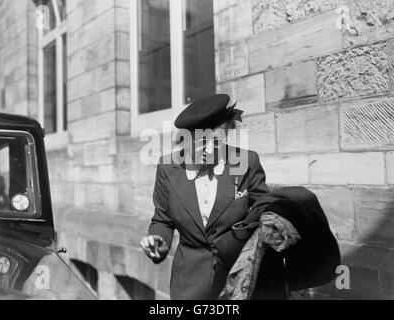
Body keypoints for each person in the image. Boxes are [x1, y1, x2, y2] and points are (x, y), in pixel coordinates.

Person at [140, 94, 340, 300]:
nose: (210, 149)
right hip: (190, 282)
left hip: (241, 278)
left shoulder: (246, 161)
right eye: (203, 142)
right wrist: (159, 240)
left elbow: (263, 208)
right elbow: (162, 220)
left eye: (217, 141)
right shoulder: (168, 167)